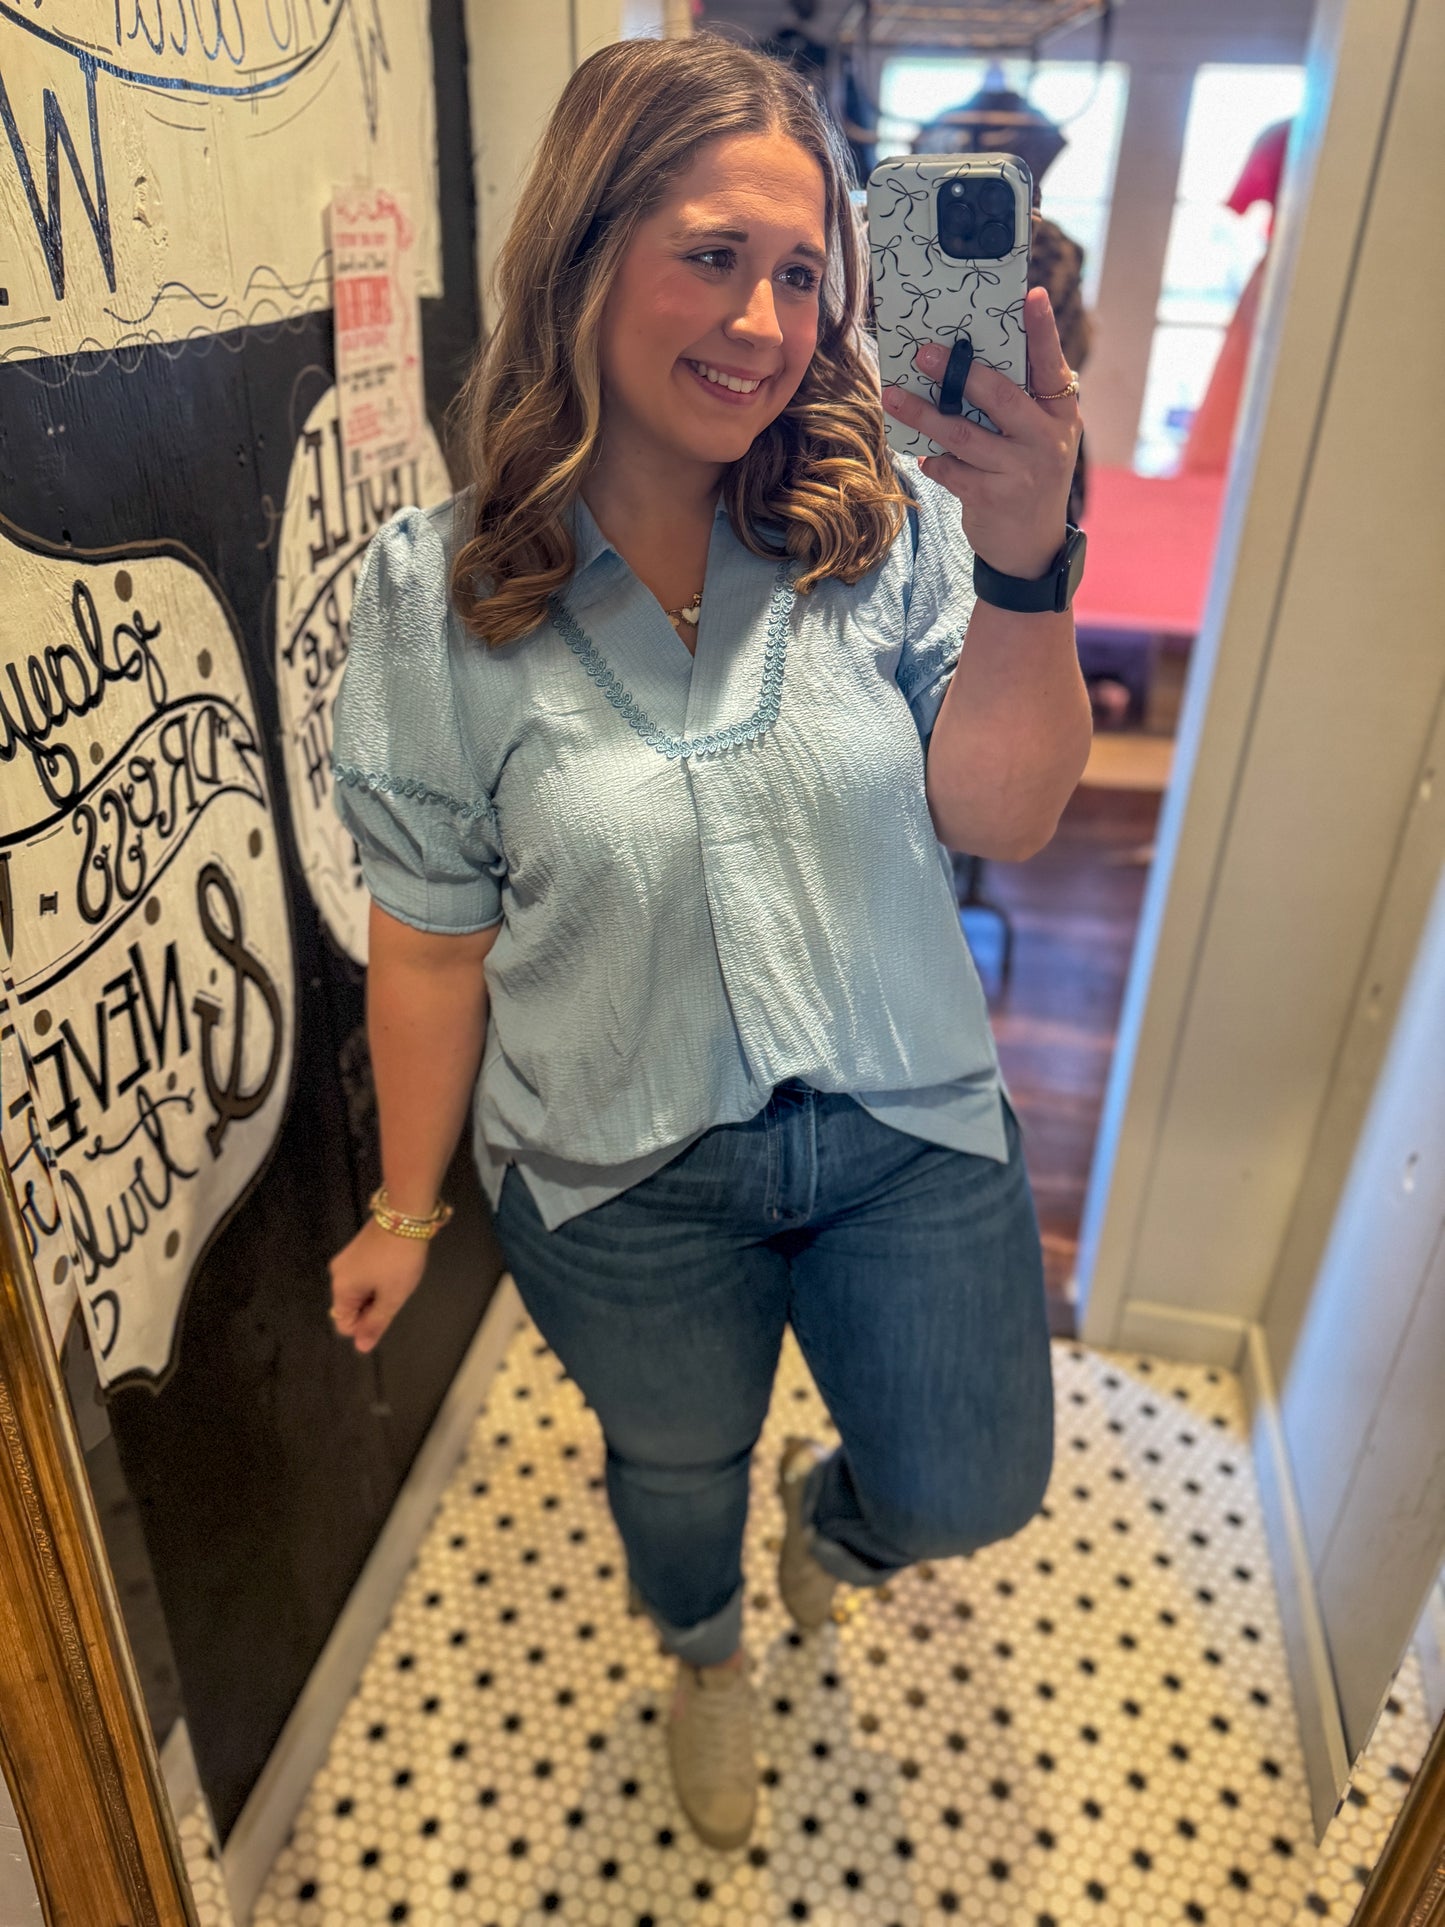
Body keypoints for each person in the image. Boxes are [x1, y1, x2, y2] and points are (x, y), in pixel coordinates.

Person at [326, 33, 1090, 1852]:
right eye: (711, 255)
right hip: (619, 1173)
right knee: (673, 1468)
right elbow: (429, 945)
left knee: (970, 1485)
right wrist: (405, 1206)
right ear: (583, 255)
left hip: (906, 1132)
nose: (766, 321)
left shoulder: (886, 536)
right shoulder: (436, 603)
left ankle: (831, 1537)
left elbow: (1001, 815)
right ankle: (706, 1653)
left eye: (806, 270)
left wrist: (1026, 556)